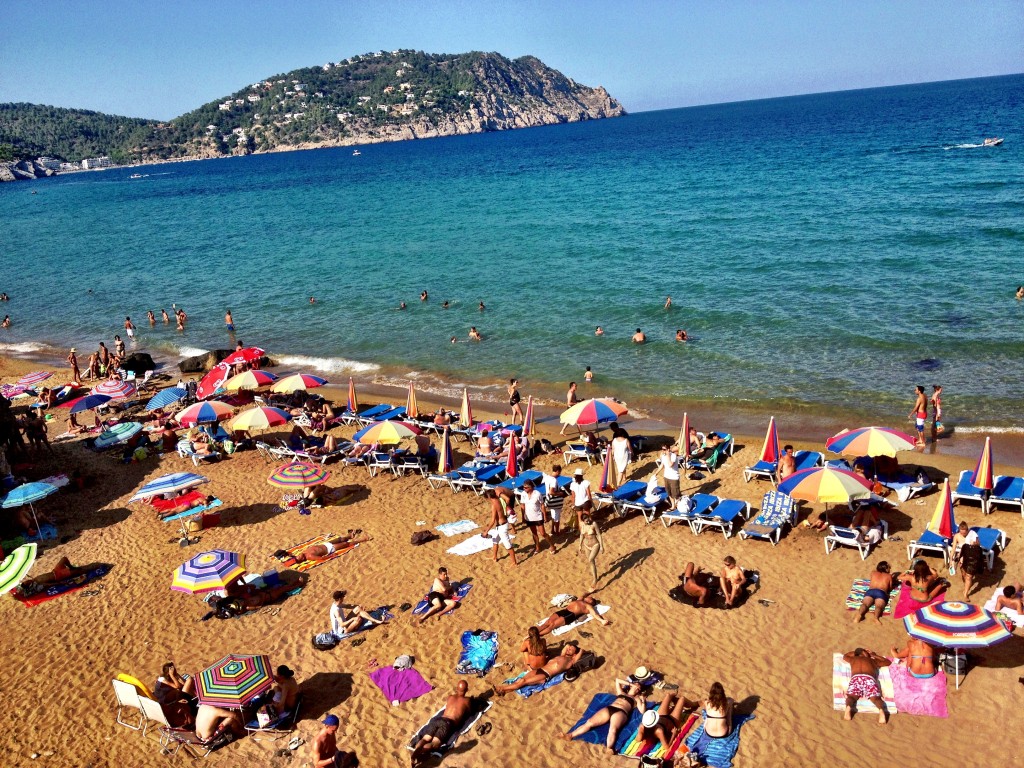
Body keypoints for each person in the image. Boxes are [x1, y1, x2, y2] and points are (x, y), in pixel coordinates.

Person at [559, 677, 642, 754]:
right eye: (637, 686)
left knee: (613, 729)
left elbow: (642, 710)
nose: (637, 688)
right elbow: (617, 680)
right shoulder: (621, 693)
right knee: (589, 722)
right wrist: (631, 684)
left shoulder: (636, 699)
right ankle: (570, 735)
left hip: (621, 712)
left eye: (639, 689)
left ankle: (609, 748)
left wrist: (643, 702)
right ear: (632, 685)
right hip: (610, 708)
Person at [410, 681, 475, 766]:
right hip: (447, 724)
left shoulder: (450, 697)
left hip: (438, 720)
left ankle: (416, 751)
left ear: (456, 689)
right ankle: (421, 752)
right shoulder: (467, 700)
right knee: (434, 744)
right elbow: (470, 712)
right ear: (466, 690)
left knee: (425, 739)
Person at [495, 642, 580, 695]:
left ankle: (502, 688)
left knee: (523, 681)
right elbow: (567, 645)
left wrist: (580, 651)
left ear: (574, 654)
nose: (569, 649)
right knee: (520, 680)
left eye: (571, 650)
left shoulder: (570, 662)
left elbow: (581, 651)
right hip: (540, 670)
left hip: (545, 675)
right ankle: (505, 691)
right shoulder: (561, 655)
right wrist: (570, 647)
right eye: (569, 648)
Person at [842, 648, 891, 724]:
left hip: (856, 678)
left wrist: (858, 652)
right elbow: (887, 662)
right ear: (862, 653)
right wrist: (875, 655)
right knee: (875, 698)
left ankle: (848, 707)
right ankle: (881, 710)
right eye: (866, 651)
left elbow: (845, 656)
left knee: (851, 697)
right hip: (868, 678)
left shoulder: (853, 659)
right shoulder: (872, 661)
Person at [536, 596, 609, 636]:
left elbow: (595, 614)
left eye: (590, 598)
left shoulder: (588, 606)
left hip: (570, 615)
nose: (589, 597)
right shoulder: (580, 599)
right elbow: (584, 593)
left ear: (591, 601)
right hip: (564, 611)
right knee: (547, 622)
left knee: (552, 625)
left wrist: (602, 620)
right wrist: (590, 590)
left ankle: (537, 636)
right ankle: (532, 633)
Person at [277, 532, 372, 564]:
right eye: (299, 557)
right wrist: (331, 556)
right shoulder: (310, 556)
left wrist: (285, 555)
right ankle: (363, 539)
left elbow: (290, 555)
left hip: (325, 544)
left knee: (340, 539)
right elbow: (321, 558)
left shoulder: (299, 555)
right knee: (347, 544)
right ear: (302, 559)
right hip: (330, 548)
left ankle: (349, 535)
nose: (298, 555)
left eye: (297, 556)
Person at [521, 480, 557, 555]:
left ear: (530, 487)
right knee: (534, 533)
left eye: (526, 487)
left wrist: (545, 516)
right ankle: (537, 547)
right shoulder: (523, 494)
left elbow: (542, 505)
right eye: (523, 487)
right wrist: (523, 517)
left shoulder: (537, 494)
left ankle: (551, 545)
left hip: (538, 516)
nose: (524, 489)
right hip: (529, 517)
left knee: (543, 533)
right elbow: (522, 506)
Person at [486, 487, 518, 566]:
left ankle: (514, 562)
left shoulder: (494, 505)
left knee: (507, 544)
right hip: (500, 525)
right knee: (495, 540)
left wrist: (486, 531)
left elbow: (492, 521)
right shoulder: (499, 500)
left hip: (502, 526)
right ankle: (494, 557)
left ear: (489, 497)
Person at [952, 524, 984, 601]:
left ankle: (965, 593)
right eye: (961, 533)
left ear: (967, 531)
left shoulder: (972, 534)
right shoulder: (957, 536)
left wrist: (974, 543)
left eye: (964, 533)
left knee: (969, 576)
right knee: (964, 574)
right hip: (962, 556)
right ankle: (966, 582)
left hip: (972, 557)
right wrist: (951, 559)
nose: (963, 534)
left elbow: (979, 544)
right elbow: (953, 548)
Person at [577, 512, 604, 589]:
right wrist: (580, 545)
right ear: (583, 521)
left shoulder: (594, 524)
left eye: (588, 519)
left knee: (590, 559)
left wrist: (602, 546)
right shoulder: (582, 525)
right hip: (586, 546)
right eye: (586, 521)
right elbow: (581, 535)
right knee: (591, 562)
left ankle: (595, 580)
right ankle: (595, 578)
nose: (588, 521)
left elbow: (599, 534)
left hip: (595, 544)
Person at [542, 464, 568, 534]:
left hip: (549, 500)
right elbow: (551, 492)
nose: (559, 474)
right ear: (557, 471)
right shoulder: (553, 480)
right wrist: (560, 494)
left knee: (553, 515)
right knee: (556, 517)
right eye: (559, 472)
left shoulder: (547, 477)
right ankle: (557, 531)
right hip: (554, 500)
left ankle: (552, 530)